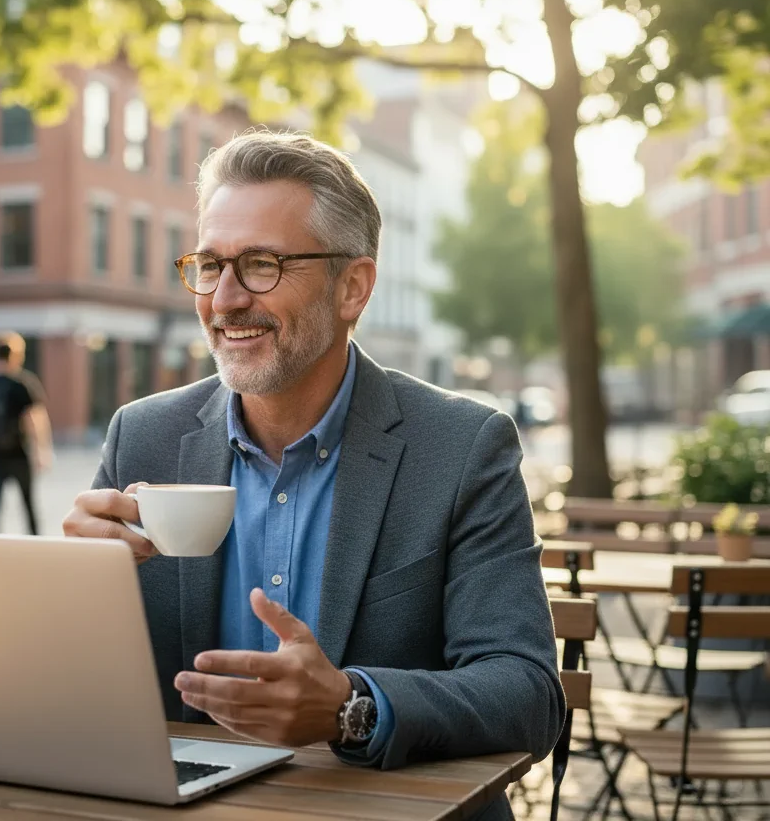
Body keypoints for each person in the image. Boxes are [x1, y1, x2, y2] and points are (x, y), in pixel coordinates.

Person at [63, 131, 562, 820]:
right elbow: (86, 690)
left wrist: (349, 707)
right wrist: (74, 592)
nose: (226, 299)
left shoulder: (462, 447)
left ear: (352, 287)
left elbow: (529, 692)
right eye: (210, 266)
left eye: (261, 265)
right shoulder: (141, 437)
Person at [0, 333, 53, 535]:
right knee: (28, 503)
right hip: (18, 452)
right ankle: (35, 543)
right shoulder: (22, 383)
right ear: (16, 355)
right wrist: (42, 450)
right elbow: (35, 419)